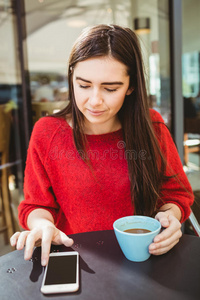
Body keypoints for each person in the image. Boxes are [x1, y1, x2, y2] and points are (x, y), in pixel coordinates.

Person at [10, 24, 194, 266]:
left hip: (144, 260)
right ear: (71, 78)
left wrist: (171, 216)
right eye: (83, 85)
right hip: (78, 262)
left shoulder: (151, 126)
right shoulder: (47, 133)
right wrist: (43, 225)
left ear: (131, 86)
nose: (94, 101)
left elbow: (176, 193)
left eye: (110, 88)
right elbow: (36, 205)